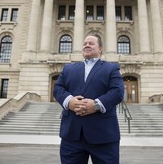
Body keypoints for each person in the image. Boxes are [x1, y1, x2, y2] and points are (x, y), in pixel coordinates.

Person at [53, 35, 124, 164]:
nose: (86, 45)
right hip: (72, 136)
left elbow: (118, 92)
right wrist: (69, 101)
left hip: (103, 136)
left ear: (100, 48)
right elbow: (58, 89)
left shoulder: (111, 68)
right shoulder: (68, 68)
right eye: (85, 43)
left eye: (91, 43)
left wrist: (96, 105)